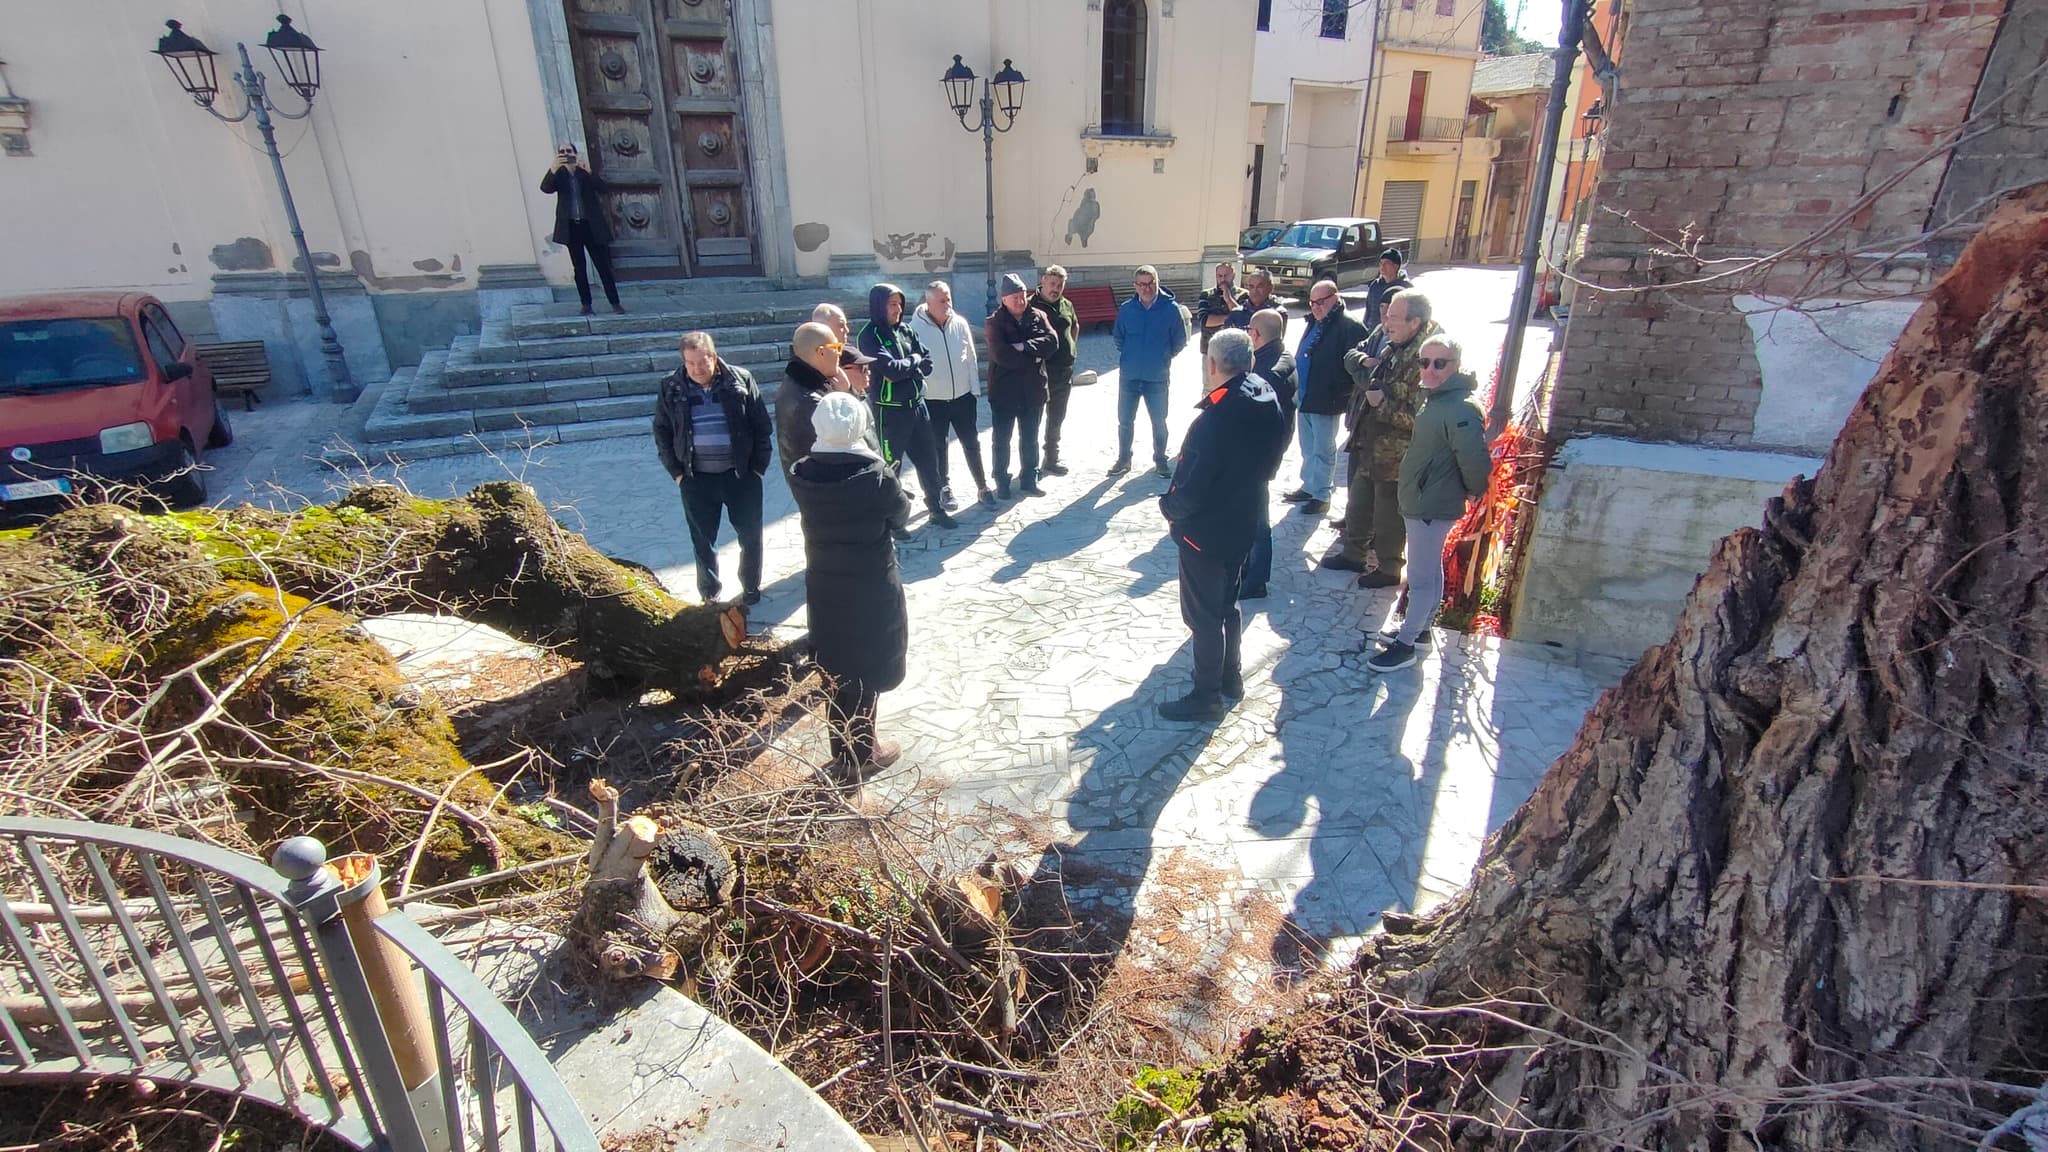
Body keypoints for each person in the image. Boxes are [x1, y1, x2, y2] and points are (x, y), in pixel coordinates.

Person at [1157, 329, 1287, 720]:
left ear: (1212, 365)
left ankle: (1206, 695)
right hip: (1244, 520)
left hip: (1206, 533)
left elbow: (1190, 489)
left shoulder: (1213, 420)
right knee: (1227, 605)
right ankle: (1230, 678)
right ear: (1249, 361)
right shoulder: (1266, 398)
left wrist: (1168, 507)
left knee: (1204, 618)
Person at [787, 392, 912, 777]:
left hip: (824, 582)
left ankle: (842, 748)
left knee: (838, 663)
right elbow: (901, 514)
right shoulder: (875, 476)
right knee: (867, 664)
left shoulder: (803, 473)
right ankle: (864, 753)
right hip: (870, 583)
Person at [1368, 335, 1489, 673]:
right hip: (1424, 498)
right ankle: (1419, 633)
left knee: (1419, 578)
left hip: (1431, 503)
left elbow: (1474, 458)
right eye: (1425, 362)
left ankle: (1405, 645)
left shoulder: (1460, 407)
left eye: (1440, 363)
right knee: (1428, 570)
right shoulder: (1437, 400)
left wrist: (1475, 488)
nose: (1430, 370)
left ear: (1456, 365)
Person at [1324, 290, 1442, 585]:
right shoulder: (1394, 344)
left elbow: (1423, 417)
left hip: (1398, 455)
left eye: (1393, 318)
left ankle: (1389, 568)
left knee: (1388, 514)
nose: (1386, 323)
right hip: (1370, 442)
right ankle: (1353, 555)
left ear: (1415, 322)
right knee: (1359, 503)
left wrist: (1382, 404)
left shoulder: (1429, 359)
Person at [652, 331, 773, 606]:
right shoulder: (671, 387)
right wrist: (677, 473)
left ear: (714, 358)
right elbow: (662, 430)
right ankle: (709, 593)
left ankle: (751, 588)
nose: (697, 369)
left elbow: (762, 425)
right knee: (702, 541)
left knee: (750, 536)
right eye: (690, 363)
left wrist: (759, 468)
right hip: (696, 478)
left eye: (702, 362)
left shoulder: (740, 380)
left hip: (741, 475)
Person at [859, 284, 955, 528]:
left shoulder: (907, 331)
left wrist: (909, 365)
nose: (898, 309)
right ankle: (893, 521)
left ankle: (935, 509)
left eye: (900, 304)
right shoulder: (869, 335)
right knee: (891, 467)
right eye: (892, 304)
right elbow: (891, 370)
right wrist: (914, 361)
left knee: (928, 462)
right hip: (890, 411)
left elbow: (928, 362)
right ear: (879, 306)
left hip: (917, 406)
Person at [1282, 279, 1366, 516]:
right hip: (1306, 395)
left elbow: (1355, 365)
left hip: (1327, 399)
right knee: (1307, 446)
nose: (1316, 306)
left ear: (1335, 298)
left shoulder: (1348, 326)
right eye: (1312, 302)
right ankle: (1309, 486)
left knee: (1323, 449)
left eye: (1321, 301)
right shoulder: (1316, 322)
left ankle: (1321, 494)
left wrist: (1339, 391)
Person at [908, 280, 994, 509]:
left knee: (971, 443)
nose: (947, 304)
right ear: (928, 302)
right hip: (934, 399)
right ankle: (944, 489)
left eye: (949, 299)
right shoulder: (914, 329)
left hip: (963, 397)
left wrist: (974, 389)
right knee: (938, 446)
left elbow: (971, 357)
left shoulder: (960, 323)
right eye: (942, 300)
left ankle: (983, 487)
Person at [1239, 308, 1297, 600]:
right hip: (1269, 450)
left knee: (1258, 517)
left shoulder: (1265, 372)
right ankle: (1251, 569)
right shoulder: (1279, 356)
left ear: (1256, 334)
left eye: (1250, 329)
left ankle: (1256, 579)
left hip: (1259, 455)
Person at [984, 273, 1059, 499]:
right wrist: (1034, 356)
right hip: (1004, 392)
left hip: (1033, 391)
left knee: (1030, 438)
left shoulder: (1038, 315)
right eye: (1014, 297)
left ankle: (1029, 478)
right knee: (1001, 440)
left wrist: (1023, 346)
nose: (1020, 301)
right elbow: (1002, 356)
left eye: (1023, 295)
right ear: (1004, 299)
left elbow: (1052, 342)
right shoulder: (993, 322)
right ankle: (1002, 480)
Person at [1111, 265, 1188, 477]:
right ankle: (1124, 459)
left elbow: (1180, 340)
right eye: (1142, 284)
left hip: (1157, 376)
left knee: (1159, 421)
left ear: (1157, 283)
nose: (1146, 288)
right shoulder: (1127, 309)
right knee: (1125, 421)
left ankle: (1160, 460)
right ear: (1135, 286)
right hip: (1129, 376)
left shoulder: (1171, 309)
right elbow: (1119, 337)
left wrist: (1162, 357)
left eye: (1150, 283)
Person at [777, 321, 880, 474]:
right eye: (836, 348)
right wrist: (848, 394)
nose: (840, 353)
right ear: (821, 352)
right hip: (830, 487)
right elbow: (855, 437)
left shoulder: (797, 382)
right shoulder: (812, 402)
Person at [540, 143, 623, 316]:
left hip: (591, 226)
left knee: (603, 266)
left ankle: (615, 303)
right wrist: (553, 169)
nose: (565, 154)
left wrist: (589, 171)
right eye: (562, 152)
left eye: (568, 151)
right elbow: (545, 188)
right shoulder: (559, 174)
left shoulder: (583, 172)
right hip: (572, 227)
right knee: (579, 268)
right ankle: (586, 304)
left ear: (575, 154)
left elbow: (603, 189)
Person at [1029, 267, 1081, 476]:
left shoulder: (1066, 304)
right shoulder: (1031, 305)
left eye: (1060, 285)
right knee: (1034, 418)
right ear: (1043, 281)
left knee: (1057, 417)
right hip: (1039, 373)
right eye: (1052, 284)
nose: (1056, 289)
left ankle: (1051, 458)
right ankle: (1030, 464)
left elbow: (1075, 326)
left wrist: (1071, 349)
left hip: (1063, 371)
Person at [1193, 261, 1248, 354]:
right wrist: (1230, 318)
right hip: (1210, 349)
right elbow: (1204, 320)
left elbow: (1242, 319)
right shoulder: (1206, 294)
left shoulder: (1243, 295)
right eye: (1219, 276)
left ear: (1233, 275)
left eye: (1226, 275)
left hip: (1235, 349)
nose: (1223, 279)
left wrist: (1229, 299)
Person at [1359, 248, 1413, 334]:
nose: (1382, 267)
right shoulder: (1375, 285)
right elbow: (1368, 311)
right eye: (1380, 263)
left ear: (1396, 266)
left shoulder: (1405, 288)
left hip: (1394, 334)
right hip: (1374, 334)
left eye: (1386, 263)